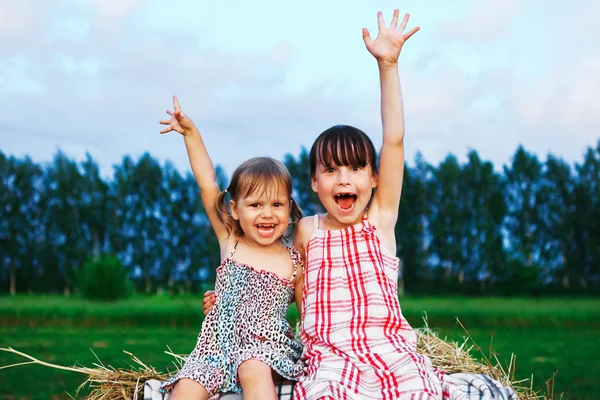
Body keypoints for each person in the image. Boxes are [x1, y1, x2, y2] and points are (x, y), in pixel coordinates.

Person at [204, 9, 468, 400]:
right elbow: (284, 283)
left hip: (389, 348)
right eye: (331, 170)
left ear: (374, 179)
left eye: (357, 168)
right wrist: (228, 299)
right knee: (326, 393)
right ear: (314, 182)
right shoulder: (308, 229)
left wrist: (388, 65)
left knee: (416, 390)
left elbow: (393, 139)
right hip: (328, 353)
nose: (344, 178)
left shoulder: (381, 219)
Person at [158, 96, 305, 400]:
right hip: (215, 349)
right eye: (255, 205)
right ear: (236, 209)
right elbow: (207, 184)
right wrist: (190, 134)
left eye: (277, 204)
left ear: (289, 209)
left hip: (265, 349)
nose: (267, 213)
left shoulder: (293, 261)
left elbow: (309, 313)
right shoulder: (231, 240)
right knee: (186, 388)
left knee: (252, 368)